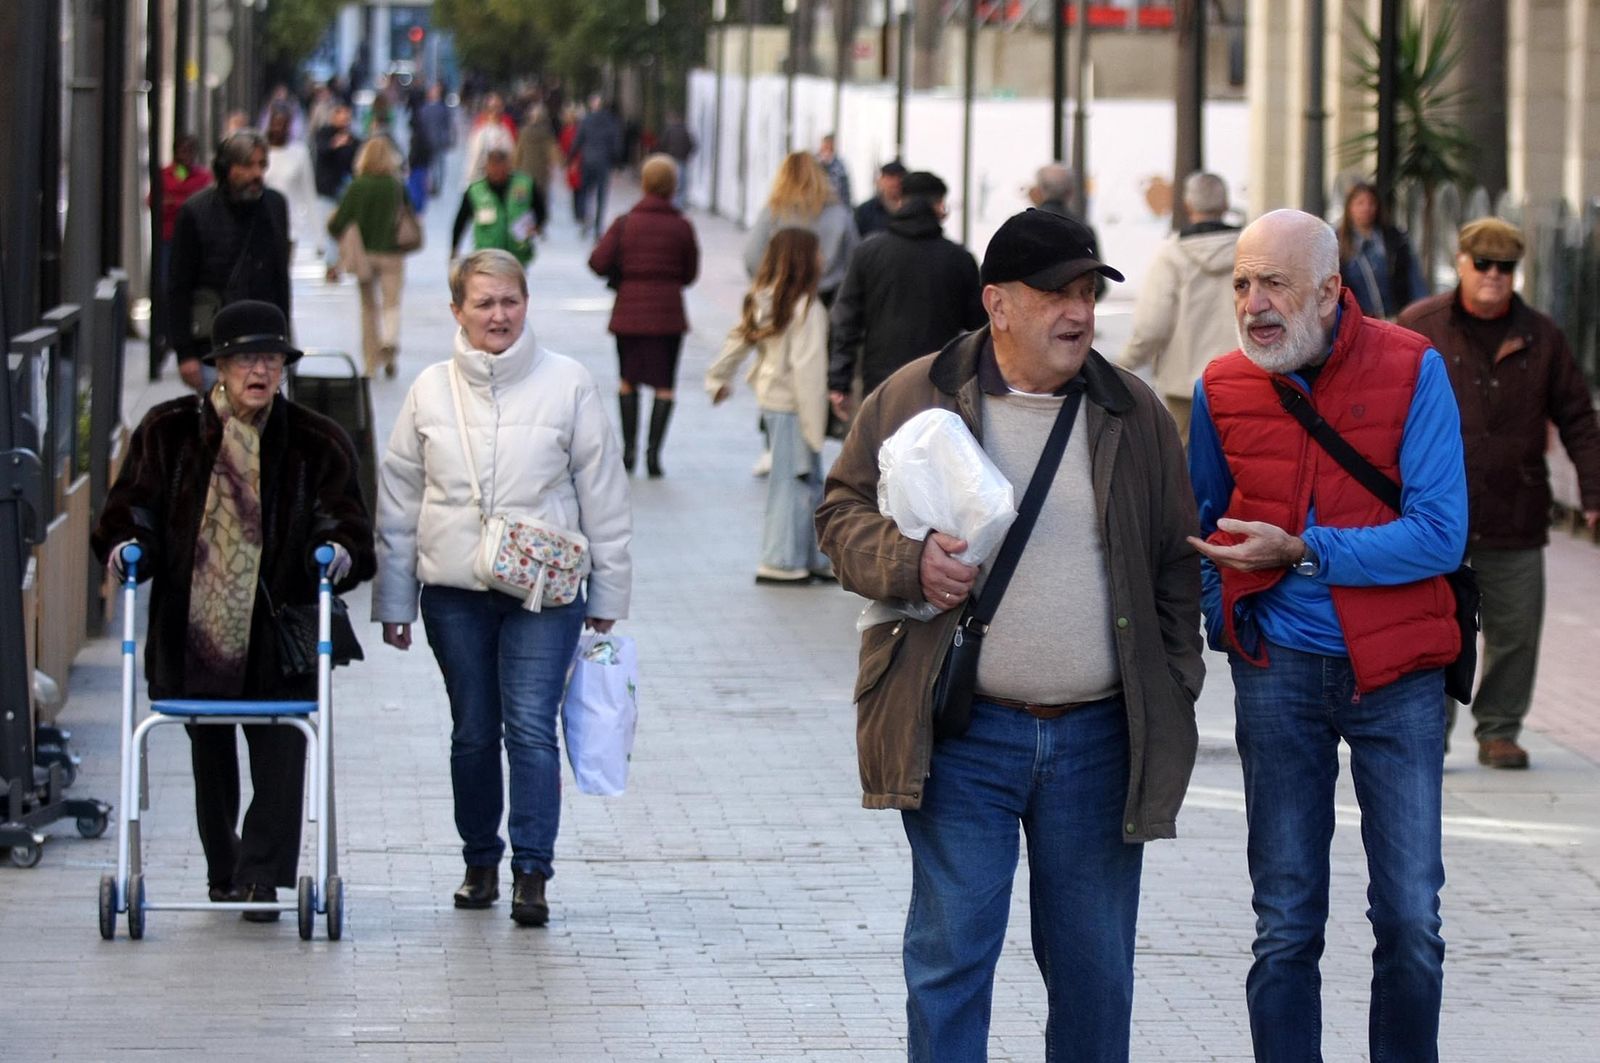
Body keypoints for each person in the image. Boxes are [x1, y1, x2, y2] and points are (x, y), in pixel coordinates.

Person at [815, 208, 1203, 1061]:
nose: (1079, 312)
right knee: (951, 958)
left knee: (1096, 971)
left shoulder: (1132, 411)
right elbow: (837, 513)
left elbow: (1177, 560)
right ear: (997, 302)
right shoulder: (917, 393)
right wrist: (908, 561)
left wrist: (1174, 679)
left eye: (1088, 293)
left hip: (1101, 737)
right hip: (964, 733)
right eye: (1056, 293)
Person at [1188, 209, 1468, 1062]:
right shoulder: (1219, 387)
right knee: (1283, 920)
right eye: (1241, 283)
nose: (1253, 303)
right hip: (1278, 671)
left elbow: (1440, 532)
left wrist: (1307, 552)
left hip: (1398, 672)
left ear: (1331, 291)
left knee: (1411, 918)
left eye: (1273, 283)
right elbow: (1200, 525)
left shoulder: (1413, 367)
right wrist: (1228, 618)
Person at [372, 249, 632, 927]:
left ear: (527, 304)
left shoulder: (568, 383)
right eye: (483, 302)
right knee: (472, 730)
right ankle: (479, 858)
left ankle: (531, 872)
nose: (498, 315)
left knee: (530, 727)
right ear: (456, 310)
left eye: (510, 301)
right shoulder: (429, 389)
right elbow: (398, 500)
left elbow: (605, 494)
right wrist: (394, 602)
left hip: (545, 592)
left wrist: (608, 596)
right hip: (454, 590)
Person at [91, 300, 375, 919]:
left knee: (281, 750)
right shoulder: (167, 432)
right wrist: (128, 544)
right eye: (246, 357)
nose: (260, 370)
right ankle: (227, 870)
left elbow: (348, 519)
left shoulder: (315, 440)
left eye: (271, 358)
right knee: (208, 751)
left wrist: (337, 550)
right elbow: (129, 507)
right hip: (196, 632)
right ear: (218, 365)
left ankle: (262, 877)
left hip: (279, 633)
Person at [1397, 217, 1600, 769]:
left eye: (1505, 267)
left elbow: (1578, 417)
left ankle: (1499, 728)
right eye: (1482, 263)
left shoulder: (1543, 335)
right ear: (1460, 262)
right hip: (1435, 514)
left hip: (1516, 509)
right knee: (1435, 627)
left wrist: (1593, 493)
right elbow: (1385, 413)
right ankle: (1427, 731)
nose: (1493, 275)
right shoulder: (1422, 326)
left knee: (1515, 631)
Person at [707, 229, 831, 584]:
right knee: (794, 484)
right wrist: (815, 425)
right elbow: (808, 371)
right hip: (794, 406)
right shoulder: (807, 308)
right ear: (804, 260)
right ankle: (781, 559)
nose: (823, 259)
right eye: (818, 252)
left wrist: (717, 378)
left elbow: (738, 340)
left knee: (800, 482)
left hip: (774, 402)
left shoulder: (765, 298)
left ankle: (809, 558)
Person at [827, 170, 985, 414]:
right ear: (940, 206)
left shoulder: (869, 251)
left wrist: (840, 380)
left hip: (881, 378)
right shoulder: (959, 259)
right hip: (938, 379)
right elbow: (976, 324)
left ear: (900, 201)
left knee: (883, 448)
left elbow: (847, 318)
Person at [586, 155, 700, 478]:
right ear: (672, 185)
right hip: (668, 315)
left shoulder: (624, 223)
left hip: (629, 314)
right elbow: (691, 273)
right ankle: (654, 456)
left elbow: (597, 262)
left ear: (645, 183)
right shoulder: (682, 225)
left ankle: (629, 452)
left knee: (628, 380)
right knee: (665, 384)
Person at [1116, 171, 1241, 440]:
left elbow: (1152, 326)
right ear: (1226, 204)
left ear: (1188, 206)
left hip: (1185, 386)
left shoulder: (1171, 253)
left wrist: (1124, 363)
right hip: (1241, 378)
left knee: (1186, 465)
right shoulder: (1250, 249)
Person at [168, 129, 292, 393]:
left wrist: (284, 344)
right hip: (214, 349)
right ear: (227, 169)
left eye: (261, 165)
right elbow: (178, 286)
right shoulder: (195, 212)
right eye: (247, 165)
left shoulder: (275, 206)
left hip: (265, 345)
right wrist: (185, 353)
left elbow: (281, 279)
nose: (257, 174)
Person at [326, 137, 412, 378]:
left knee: (368, 307)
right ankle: (390, 343)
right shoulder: (396, 186)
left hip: (364, 255)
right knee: (392, 302)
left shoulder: (357, 186)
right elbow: (409, 214)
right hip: (393, 254)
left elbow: (338, 222)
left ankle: (371, 362)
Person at [742, 151, 859, 310]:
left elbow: (752, 257)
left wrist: (770, 282)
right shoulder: (838, 213)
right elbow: (854, 259)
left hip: (779, 301)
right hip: (826, 301)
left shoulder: (774, 212)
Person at [148, 134, 213, 370]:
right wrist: (183, 202)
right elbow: (154, 202)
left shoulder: (203, 176)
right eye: (182, 149)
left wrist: (174, 202)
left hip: (195, 241)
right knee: (166, 288)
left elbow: (202, 203)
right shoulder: (164, 174)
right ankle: (166, 337)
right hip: (168, 239)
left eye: (190, 149)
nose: (186, 154)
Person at [1337, 181, 1426, 320]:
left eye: (1371, 203)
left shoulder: (1395, 239)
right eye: (1360, 203)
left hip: (1396, 317)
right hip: (1359, 321)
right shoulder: (1339, 243)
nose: (1366, 208)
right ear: (1349, 208)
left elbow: (1413, 278)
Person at [449, 148, 543, 268]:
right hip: (487, 257)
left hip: (517, 255)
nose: (496, 171)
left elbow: (540, 209)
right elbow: (461, 220)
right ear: (486, 167)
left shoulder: (524, 185)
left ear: (508, 166)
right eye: (493, 166)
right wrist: (454, 248)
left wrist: (537, 225)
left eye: (500, 166)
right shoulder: (475, 191)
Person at [1029, 161, 1106, 297]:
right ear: (1070, 191)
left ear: (1039, 190)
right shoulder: (1084, 230)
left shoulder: (1023, 229)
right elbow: (1099, 284)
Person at [313, 104, 362, 281]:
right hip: (327, 188)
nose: (344, 121)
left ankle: (341, 263)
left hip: (345, 188)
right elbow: (322, 151)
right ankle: (331, 265)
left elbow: (356, 160)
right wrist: (335, 145)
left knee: (345, 228)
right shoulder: (324, 135)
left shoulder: (352, 138)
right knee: (328, 227)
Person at [264, 107, 319, 255]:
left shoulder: (299, 153)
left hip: (290, 226)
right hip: (262, 225)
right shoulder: (261, 153)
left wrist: (318, 238)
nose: (278, 129)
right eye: (275, 123)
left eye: (283, 124)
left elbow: (308, 192)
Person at [570, 95, 626, 237]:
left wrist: (570, 157)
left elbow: (578, 140)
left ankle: (586, 221)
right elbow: (616, 143)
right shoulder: (611, 121)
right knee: (601, 195)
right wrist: (617, 163)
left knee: (586, 192)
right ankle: (597, 226)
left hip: (588, 160)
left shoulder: (586, 120)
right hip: (603, 161)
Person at [513, 102, 558, 226]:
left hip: (525, 170)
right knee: (540, 198)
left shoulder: (524, 132)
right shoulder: (547, 134)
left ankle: (522, 221)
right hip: (541, 171)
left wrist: (515, 166)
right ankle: (540, 223)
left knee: (522, 198)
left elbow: (518, 152)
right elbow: (553, 153)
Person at [462, 91, 516, 185]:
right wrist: (469, 183)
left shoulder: (505, 131)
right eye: (492, 108)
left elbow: (512, 158)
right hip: (484, 183)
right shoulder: (482, 133)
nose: (496, 112)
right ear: (486, 111)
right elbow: (474, 160)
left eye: (499, 108)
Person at [416, 82, 456, 195]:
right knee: (433, 165)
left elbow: (447, 125)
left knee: (438, 164)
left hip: (438, 141)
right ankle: (432, 185)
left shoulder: (442, 108)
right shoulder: (424, 108)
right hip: (429, 142)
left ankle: (436, 186)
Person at [852, 159, 906, 239]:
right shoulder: (865, 211)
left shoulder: (911, 209)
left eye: (899, 177)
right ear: (881, 180)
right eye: (890, 177)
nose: (895, 182)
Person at [658, 112, 696, 208]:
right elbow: (692, 145)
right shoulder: (685, 131)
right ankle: (679, 203)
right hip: (682, 159)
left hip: (671, 159)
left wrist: (666, 154)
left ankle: (672, 202)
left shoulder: (669, 131)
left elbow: (662, 144)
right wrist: (687, 155)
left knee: (672, 182)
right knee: (682, 182)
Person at [815, 133, 851, 208]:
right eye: (826, 145)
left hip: (835, 205)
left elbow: (845, 189)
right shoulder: (813, 163)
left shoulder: (840, 165)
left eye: (830, 146)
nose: (827, 148)